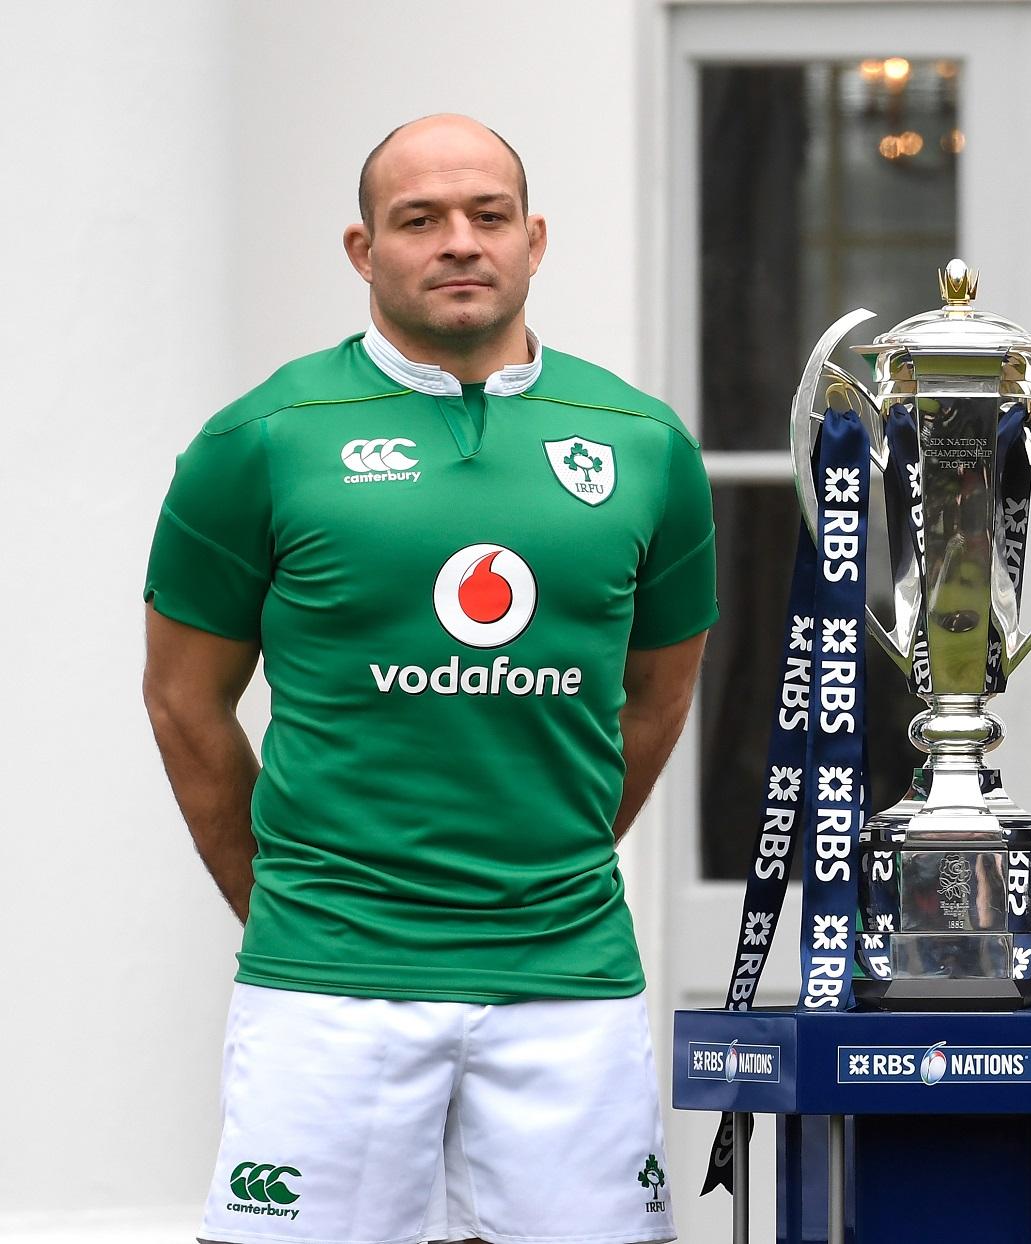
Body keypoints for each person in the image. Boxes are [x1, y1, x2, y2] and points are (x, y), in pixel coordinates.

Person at [141, 114, 713, 1244]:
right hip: (327, 981)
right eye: (420, 219)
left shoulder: (644, 443)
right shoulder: (262, 437)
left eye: (486, 216)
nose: (459, 242)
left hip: (568, 977)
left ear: (533, 239)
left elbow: (656, 695)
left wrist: (551, 866)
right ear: (363, 250)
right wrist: (288, 905)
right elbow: (181, 697)